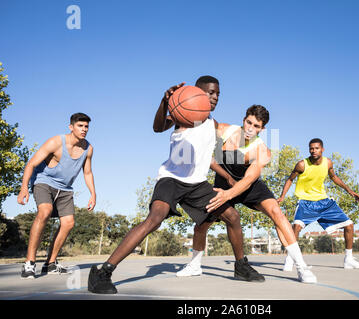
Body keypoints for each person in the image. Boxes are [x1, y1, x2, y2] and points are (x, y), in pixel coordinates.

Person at [88, 76, 264, 295]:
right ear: (196, 93)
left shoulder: (213, 124)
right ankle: (103, 272)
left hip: (197, 184)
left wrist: (227, 178)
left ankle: (241, 267)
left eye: (218, 93)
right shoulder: (185, 114)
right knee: (154, 220)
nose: (215, 96)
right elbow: (158, 127)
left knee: (232, 216)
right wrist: (165, 102)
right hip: (171, 179)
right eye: (210, 92)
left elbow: (207, 157)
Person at [177, 105, 317, 283]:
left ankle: (302, 268)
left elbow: (249, 179)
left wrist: (228, 195)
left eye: (256, 126)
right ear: (243, 119)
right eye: (248, 122)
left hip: (247, 185)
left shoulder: (262, 151)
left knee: (276, 212)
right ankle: (195, 265)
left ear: (262, 129)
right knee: (202, 225)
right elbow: (203, 119)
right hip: (223, 181)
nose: (250, 128)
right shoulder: (226, 130)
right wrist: (188, 106)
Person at [17, 113, 96, 279]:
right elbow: (31, 163)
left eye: (86, 126)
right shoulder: (56, 142)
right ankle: (29, 263)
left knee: (69, 223)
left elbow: (87, 172)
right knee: (45, 211)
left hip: (65, 188)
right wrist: (24, 187)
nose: (84, 129)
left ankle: (51, 263)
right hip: (44, 181)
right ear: (71, 127)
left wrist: (93, 193)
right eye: (80, 126)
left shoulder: (88, 148)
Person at [278, 138, 359, 270]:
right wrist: (282, 196)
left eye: (316, 148)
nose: (313, 151)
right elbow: (290, 179)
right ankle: (290, 259)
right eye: (311, 148)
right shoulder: (302, 164)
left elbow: (334, 177)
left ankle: (348, 259)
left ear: (322, 149)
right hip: (306, 202)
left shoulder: (328, 163)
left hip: (324, 202)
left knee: (349, 225)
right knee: (296, 227)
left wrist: (350, 191)